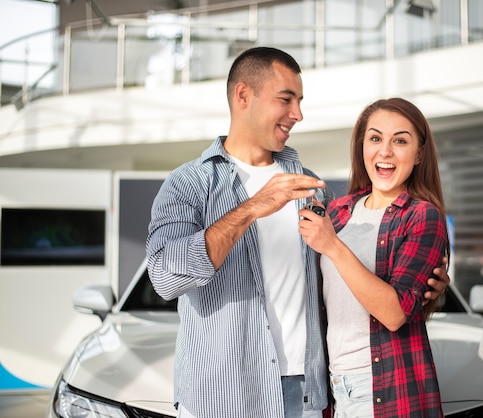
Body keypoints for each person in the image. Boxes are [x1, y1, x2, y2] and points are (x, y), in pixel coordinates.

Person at [146, 47, 450, 418]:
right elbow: (164, 277)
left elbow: (351, 277)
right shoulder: (188, 185)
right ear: (243, 96)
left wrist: (428, 284)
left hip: (309, 395)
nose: (298, 114)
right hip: (224, 396)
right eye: (286, 99)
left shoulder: (315, 191)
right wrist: (252, 207)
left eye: (300, 101)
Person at [299, 98, 449, 417]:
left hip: (384, 389)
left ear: (419, 152)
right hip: (331, 388)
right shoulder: (338, 211)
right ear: (362, 146)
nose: (385, 151)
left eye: (400, 141)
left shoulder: (422, 217)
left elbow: (394, 314)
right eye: (376, 138)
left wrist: (333, 246)